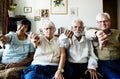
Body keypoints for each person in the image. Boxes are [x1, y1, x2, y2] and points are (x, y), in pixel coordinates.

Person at [85, 12, 120, 79]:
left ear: (110, 22)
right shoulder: (93, 31)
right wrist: (97, 33)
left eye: (105, 21)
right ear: (97, 23)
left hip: (117, 61)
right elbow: (87, 33)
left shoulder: (117, 33)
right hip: (103, 63)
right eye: (100, 22)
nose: (103, 24)